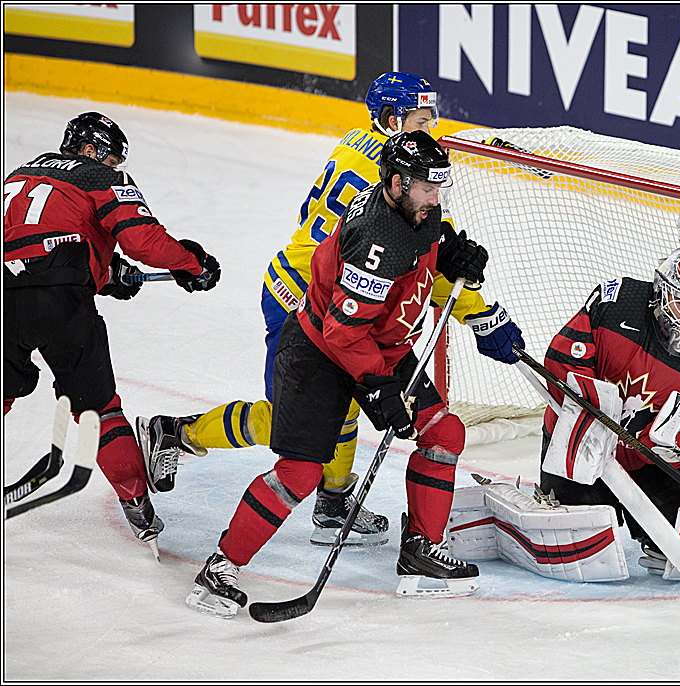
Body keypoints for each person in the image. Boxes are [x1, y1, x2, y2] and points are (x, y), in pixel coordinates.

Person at [185, 130, 525, 617]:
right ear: (396, 183)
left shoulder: (415, 211)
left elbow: (422, 265)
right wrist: (380, 387)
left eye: (438, 187)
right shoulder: (375, 240)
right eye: (426, 187)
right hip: (320, 352)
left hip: (379, 344)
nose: (435, 198)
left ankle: (421, 553)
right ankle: (221, 566)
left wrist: (455, 269)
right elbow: (343, 333)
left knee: (443, 432)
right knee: (300, 472)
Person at [137, 72, 449, 548]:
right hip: (305, 295)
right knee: (294, 423)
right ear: (391, 121)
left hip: (327, 288)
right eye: (420, 121)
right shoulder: (391, 179)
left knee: (341, 405)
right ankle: (177, 433)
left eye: (430, 120)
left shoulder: (362, 144)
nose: (430, 131)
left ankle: (333, 501)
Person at [4, 112, 221, 555]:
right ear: (91, 150)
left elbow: (39, 238)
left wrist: (103, 273)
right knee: (99, 409)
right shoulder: (98, 176)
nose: (114, 165)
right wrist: (192, 264)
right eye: (111, 157)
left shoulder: (19, 174)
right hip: (60, 298)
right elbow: (144, 241)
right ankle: (138, 507)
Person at [538, 248, 680, 564]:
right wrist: (594, 420)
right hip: (577, 443)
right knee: (577, 539)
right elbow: (561, 361)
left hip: (644, 458)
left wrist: (656, 444)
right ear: (661, 293)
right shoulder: (619, 302)